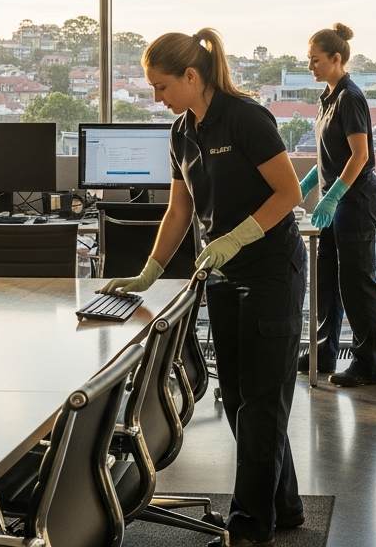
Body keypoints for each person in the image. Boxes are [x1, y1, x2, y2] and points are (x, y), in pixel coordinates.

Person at [100, 28, 305, 546]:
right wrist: (151, 270)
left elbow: (289, 192)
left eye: (162, 86)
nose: (157, 98)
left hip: (270, 271)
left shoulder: (246, 118)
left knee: (261, 400)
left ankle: (248, 525)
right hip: (223, 273)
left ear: (192, 76)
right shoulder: (180, 132)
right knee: (237, 396)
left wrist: (237, 237)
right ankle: (284, 504)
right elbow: (180, 208)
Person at [295, 23, 376, 387]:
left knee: (356, 282)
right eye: (308, 60)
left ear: (336, 58)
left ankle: (369, 364)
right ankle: (324, 351)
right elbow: (333, 154)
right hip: (338, 198)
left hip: (356, 200)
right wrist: (308, 184)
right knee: (326, 279)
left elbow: (360, 155)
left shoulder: (350, 97)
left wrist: (332, 197)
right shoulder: (328, 98)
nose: (310, 67)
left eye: (315, 60)